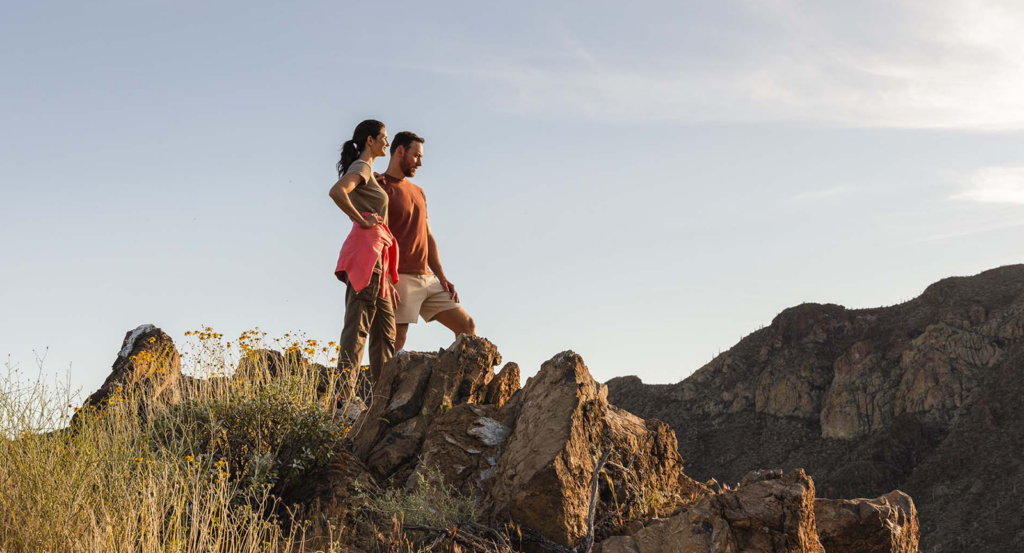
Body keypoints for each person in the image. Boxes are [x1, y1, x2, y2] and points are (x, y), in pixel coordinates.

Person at [377, 131, 475, 351]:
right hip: (399, 277)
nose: (420, 162)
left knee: (467, 327)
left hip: (428, 278)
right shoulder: (380, 187)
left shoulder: (419, 192)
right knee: (396, 341)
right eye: (416, 156)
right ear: (400, 151)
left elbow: (428, 236)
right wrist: (384, 279)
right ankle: (381, 386)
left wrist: (441, 276)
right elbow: (373, 238)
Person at [328, 119, 398, 398]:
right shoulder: (362, 167)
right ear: (370, 140)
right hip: (368, 259)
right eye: (383, 137)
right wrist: (361, 220)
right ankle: (343, 400)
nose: (387, 142)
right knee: (357, 329)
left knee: (385, 333)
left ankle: (381, 400)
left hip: (378, 261)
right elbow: (337, 191)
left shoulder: (367, 171)